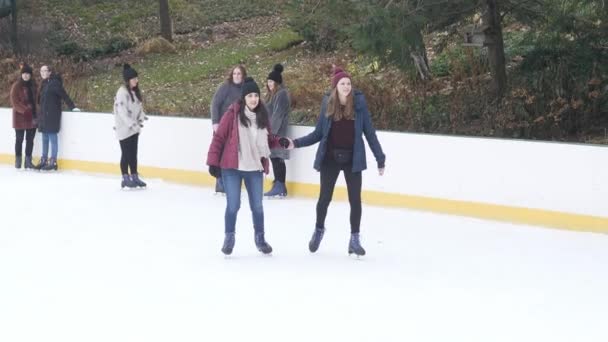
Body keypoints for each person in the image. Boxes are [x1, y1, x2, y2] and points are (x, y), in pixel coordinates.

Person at [286, 67, 386, 256]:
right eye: (342, 83)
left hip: (353, 160)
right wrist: (295, 143)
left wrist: (380, 158)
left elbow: (370, 134)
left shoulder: (359, 105)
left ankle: (354, 239)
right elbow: (318, 134)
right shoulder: (328, 105)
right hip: (330, 159)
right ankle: (318, 230)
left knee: (355, 200)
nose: (346, 86)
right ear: (335, 87)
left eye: (348, 83)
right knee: (324, 199)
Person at [207, 77, 286, 256]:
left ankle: (260, 239)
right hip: (232, 168)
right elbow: (219, 138)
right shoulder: (232, 114)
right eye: (250, 95)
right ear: (244, 98)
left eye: (256, 95)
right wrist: (213, 162)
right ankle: (229, 237)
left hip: (255, 168)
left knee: (257, 206)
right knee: (233, 205)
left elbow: (268, 139)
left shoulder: (262, 116)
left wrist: (280, 141)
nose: (253, 99)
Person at [209, 65, 247, 194]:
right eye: (235, 73)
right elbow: (215, 104)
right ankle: (220, 183)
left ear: (243, 76)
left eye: (239, 74)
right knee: (220, 154)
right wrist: (215, 122)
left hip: (237, 128)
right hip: (222, 127)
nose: (236, 76)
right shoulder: (225, 87)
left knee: (232, 156)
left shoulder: (245, 89)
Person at [36, 65, 80, 171]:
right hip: (43, 116)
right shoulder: (44, 83)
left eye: (45, 71)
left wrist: (72, 107)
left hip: (52, 115)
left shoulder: (55, 83)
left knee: (52, 138)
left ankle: (53, 161)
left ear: (50, 72)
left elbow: (64, 95)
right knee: (44, 138)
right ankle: (44, 159)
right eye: (41, 71)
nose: (42, 72)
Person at [113, 64, 148, 189]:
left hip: (134, 129)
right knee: (126, 154)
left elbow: (139, 107)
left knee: (133, 154)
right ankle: (125, 177)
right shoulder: (122, 92)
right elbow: (122, 112)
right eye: (134, 79)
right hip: (124, 128)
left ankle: (134, 176)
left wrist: (142, 116)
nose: (136, 81)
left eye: (137, 78)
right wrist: (133, 125)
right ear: (128, 80)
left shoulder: (135, 92)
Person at [263, 64, 291, 198]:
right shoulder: (271, 95)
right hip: (271, 131)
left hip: (278, 132)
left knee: (278, 157)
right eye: (268, 82)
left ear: (277, 82)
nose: (269, 84)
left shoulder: (282, 94)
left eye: (271, 82)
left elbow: (278, 115)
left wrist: (271, 133)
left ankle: (280, 186)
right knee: (274, 157)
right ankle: (278, 184)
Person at [10, 63, 38, 169]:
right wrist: (24, 110)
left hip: (32, 117)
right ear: (21, 75)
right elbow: (14, 101)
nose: (26, 75)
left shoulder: (34, 85)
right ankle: (18, 160)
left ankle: (28, 161)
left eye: (28, 74)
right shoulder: (17, 85)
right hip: (20, 117)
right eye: (24, 73)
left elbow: (37, 100)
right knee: (19, 139)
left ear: (31, 75)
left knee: (30, 140)